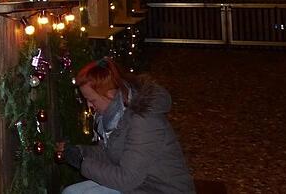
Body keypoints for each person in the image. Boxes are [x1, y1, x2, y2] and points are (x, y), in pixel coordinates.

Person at [60, 57, 194, 194]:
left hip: (161, 190)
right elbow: (111, 154)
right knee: (72, 192)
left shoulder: (143, 120)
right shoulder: (113, 117)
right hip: (140, 186)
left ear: (110, 94)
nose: (89, 106)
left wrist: (82, 163)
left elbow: (126, 179)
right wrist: (80, 152)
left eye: (91, 100)